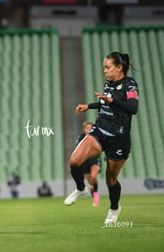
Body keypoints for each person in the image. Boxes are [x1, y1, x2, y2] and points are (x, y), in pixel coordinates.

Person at [64, 52, 139, 225]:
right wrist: (88, 106)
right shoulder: (108, 84)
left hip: (119, 137)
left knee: (111, 180)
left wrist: (112, 100)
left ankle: (114, 208)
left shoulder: (130, 85)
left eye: (107, 67)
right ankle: (81, 189)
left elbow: (133, 108)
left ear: (119, 68)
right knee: (75, 160)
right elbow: (105, 102)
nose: (104, 71)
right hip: (100, 129)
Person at [77, 121, 102, 206]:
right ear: (84, 129)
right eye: (87, 128)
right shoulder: (81, 137)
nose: (89, 130)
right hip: (85, 161)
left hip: (94, 158)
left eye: (91, 128)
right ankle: (94, 194)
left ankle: (96, 197)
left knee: (93, 176)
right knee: (90, 181)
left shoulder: (97, 137)